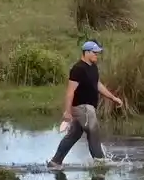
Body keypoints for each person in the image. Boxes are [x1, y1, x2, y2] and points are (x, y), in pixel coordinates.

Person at [47, 40, 124, 170]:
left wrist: (113, 98)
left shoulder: (93, 67)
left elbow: (97, 85)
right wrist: (67, 112)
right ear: (86, 52)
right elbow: (70, 92)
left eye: (97, 53)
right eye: (95, 53)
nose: (97, 55)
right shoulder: (78, 69)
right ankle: (100, 163)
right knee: (93, 131)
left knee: (74, 134)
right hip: (82, 107)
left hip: (88, 107)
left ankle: (55, 162)